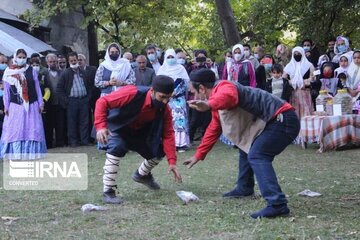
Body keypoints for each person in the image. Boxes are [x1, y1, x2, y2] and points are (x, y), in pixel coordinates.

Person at [184, 68, 300, 219]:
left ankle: (277, 205)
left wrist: (207, 104)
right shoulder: (215, 100)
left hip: (283, 119)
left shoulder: (225, 86)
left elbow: (229, 97)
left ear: (201, 88)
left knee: (257, 155)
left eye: (193, 92)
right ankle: (244, 188)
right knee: (245, 148)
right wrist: (199, 155)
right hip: (275, 121)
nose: (193, 95)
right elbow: (214, 127)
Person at [94, 75, 182, 204]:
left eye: (168, 98)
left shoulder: (165, 110)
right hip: (118, 128)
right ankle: (108, 192)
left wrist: (172, 162)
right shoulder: (132, 92)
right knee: (117, 147)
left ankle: (142, 175)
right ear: (152, 91)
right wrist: (101, 126)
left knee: (158, 150)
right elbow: (102, 102)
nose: (165, 101)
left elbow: (168, 134)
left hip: (139, 133)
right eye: (162, 97)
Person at [0, 49, 47, 159]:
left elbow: (37, 88)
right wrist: (6, 106)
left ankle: (32, 153)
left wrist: (41, 103)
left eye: (24, 57)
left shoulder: (31, 70)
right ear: (15, 58)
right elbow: (6, 92)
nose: (21, 59)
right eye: (19, 57)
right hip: (15, 106)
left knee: (32, 128)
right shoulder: (8, 72)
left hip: (32, 105)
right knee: (16, 129)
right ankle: (15, 153)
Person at [157, 49, 190, 151]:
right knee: (168, 121)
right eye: (168, 57)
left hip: (179, 99)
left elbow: (186, 84)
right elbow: (158, 85)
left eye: (172, 57)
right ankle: (169, 144)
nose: (170, 59)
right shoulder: (162, 70)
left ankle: (181, 144)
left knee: (180, 121)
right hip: (166, 100)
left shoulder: (181, 69)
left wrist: (177, 92)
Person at [57, 52, 92, 147]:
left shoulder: (83, 72)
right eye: (71, 60)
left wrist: (88, 98)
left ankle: (84, 141)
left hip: (83, 100)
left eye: (75, 60)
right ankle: (73, 142)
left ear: (77, 60)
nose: (73, 62)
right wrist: (66, 100)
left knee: (84, 121)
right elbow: (59, 89)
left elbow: (89, 86)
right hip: (72, 101)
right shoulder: (65, 73)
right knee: (72, 122)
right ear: (68, 61)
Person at [283, 47, 315, 119]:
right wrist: (291, 82)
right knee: (295, 113)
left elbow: (313, 78)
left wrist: (304, 82)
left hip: (305, 92)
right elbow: (284, 78)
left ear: (302, 54)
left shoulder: (309, 65)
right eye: (295, 54)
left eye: (299, 53)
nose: (297, 55)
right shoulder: (289, 66)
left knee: (306, 113)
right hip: (293, 93)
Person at [44, 53, 66, 148]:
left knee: (60, 124)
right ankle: (49, 143)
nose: (52, 63)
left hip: (60, 103)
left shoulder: (62, 73)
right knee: (48, 125)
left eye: (54, 61)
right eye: (50, 62)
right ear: (47, 62)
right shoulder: (43, 74)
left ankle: (60, 143)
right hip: (48, 104)